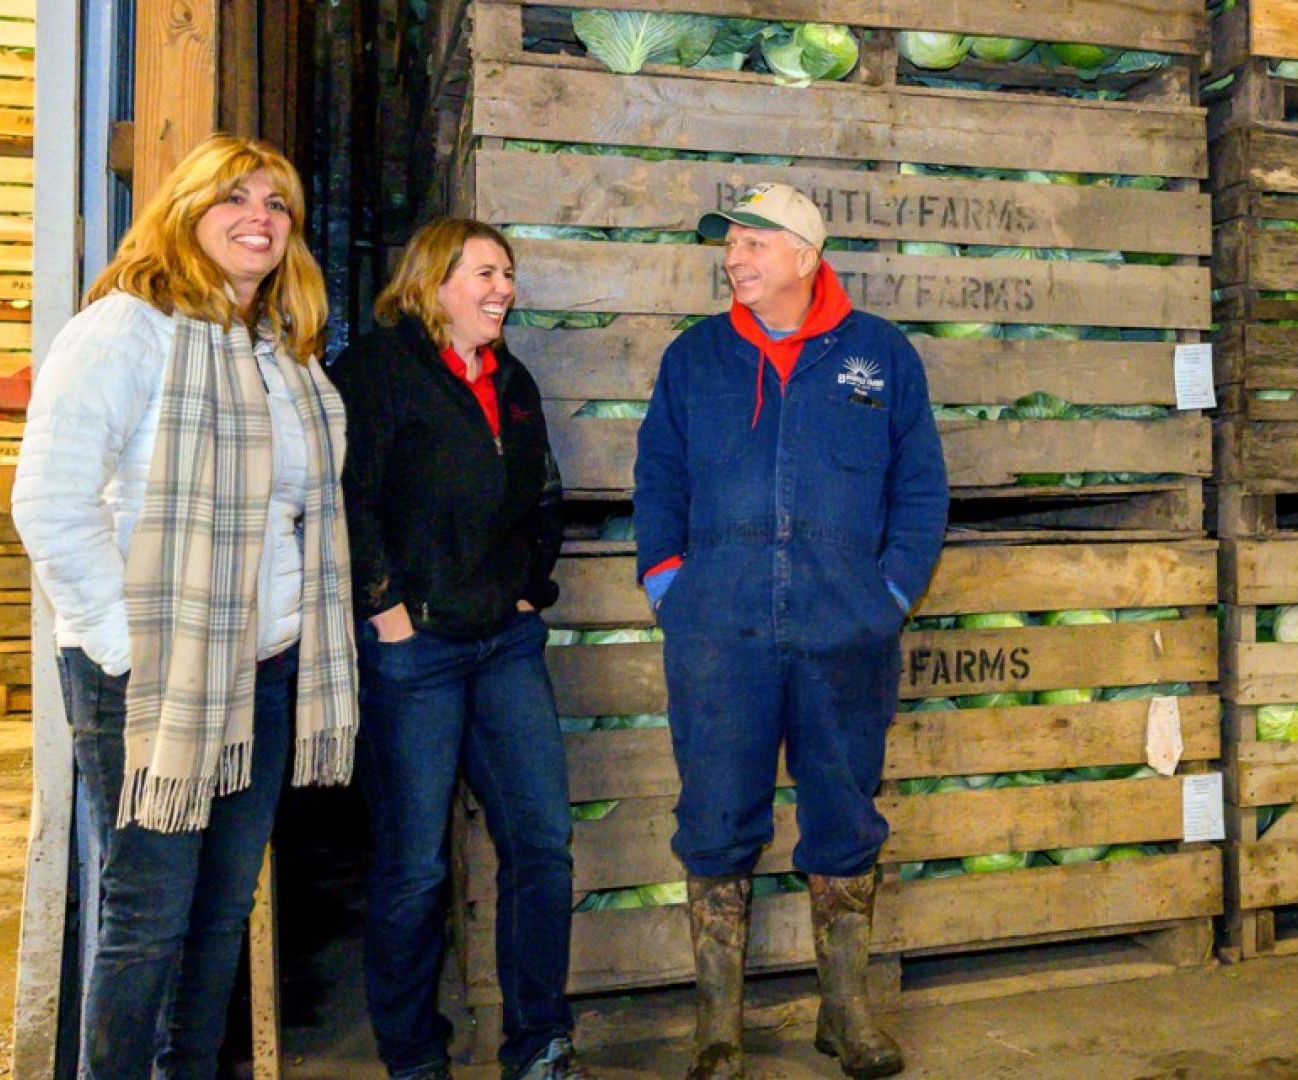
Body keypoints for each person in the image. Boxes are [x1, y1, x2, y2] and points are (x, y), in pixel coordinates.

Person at [15, 133, 360, 1078]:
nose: (260, 217)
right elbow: (49, 503)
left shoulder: (274, 352)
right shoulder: (125, 330)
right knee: (147, 919)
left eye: (278, 204)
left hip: (265, 667)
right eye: (235, 197)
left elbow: (293, 516)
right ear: (185, 211)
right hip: (154, 675)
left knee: (220, 914)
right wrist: (131, 651)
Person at [633, 183, 948, 1080]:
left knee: (846, 814)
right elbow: (656, 478)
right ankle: (718, 1026)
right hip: (717, 632)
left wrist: (887, 593)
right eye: (728, 245)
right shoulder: (694, 360)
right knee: (715, 818)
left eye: (753, 243)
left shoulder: (880, 356)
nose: (734, 258)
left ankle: (845, 1012)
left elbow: (920, 489)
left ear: (807, 255)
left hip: (844, 630)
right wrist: (668, 583)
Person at [331, 218, 587, 1080]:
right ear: (434, 279)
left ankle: (540, 1042)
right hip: (418, 653)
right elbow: (348, 500)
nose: (503, 288)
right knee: (413, 866)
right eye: (485, 271)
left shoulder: (511, 382)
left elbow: (544, 495)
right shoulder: (376, 372)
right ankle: (413, 1059)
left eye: (508, 273)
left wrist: (529, 585)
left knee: (542, 845)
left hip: (505, 642)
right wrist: (387, 611)